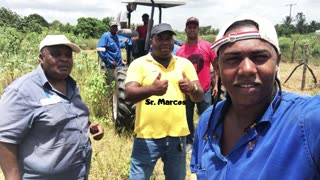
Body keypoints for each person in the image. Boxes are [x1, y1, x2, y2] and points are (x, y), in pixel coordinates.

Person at [191, 15, 320, 179]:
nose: (246, 69)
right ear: (217, 67)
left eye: (260, 57)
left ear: (277, 61)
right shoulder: (208, 121)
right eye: (232, 59)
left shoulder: (306, 122)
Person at [0, 34, 104, 179]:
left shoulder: (71, 86)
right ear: (41, 58)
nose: (64, 59)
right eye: (56, 54)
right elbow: (5, 141)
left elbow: (64, 114)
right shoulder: (22, 91)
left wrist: (89, 125)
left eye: (68, 55)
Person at [125, 23, 204, 180]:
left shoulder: (185, 64)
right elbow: (129, 93)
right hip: (147, 137)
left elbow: (199, 95)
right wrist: (151, 89)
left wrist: (192, 89)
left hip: (177, 138)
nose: (165, 42)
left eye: (169, 38)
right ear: (151, 41)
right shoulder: (139, 64)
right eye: (160, 38)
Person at [176, 17, 218, 153]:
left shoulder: (207, 47)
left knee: (206, 116)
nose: (192, 29)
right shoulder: (180, 51)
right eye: (189, 27)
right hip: (187, 90)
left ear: (198, 30)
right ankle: (189, 141)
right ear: (185, 30)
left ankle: (206, 141)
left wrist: (216, 84)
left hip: (205, 89)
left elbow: (216, 67)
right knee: (187, 116)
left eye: (195, 27)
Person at [97, 20, 125, 86]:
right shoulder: (106, 36)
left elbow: (117, 47)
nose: (115, 28)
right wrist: (109, 61)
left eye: (116, 26)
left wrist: (124, 43)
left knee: (118, 84)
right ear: (109, 27)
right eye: (113, 26)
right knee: (110, 84)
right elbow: (100, 49)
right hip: (110, 66)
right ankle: (108, 96)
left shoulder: (116, 37)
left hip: (118, 65)